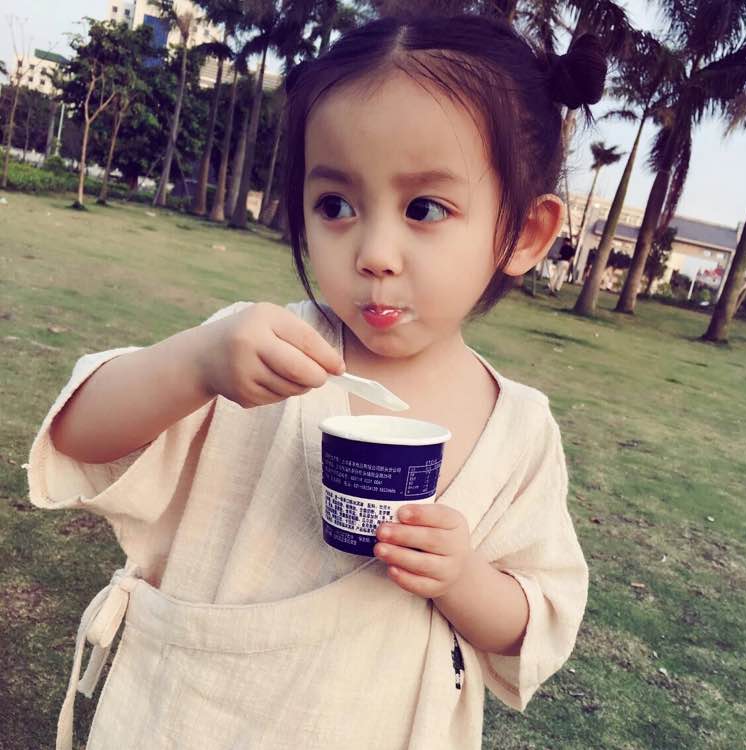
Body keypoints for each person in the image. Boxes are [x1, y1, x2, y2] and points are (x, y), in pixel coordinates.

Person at [26, 14, 606, 750]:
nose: (375, 252)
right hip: (189, 717)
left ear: (524, 232)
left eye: (425, 209)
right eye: (336, 206)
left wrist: (461, 578)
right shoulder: (253, 350)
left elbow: (537, 620)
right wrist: (196, 365)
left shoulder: (518, 430)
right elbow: (79, 437)